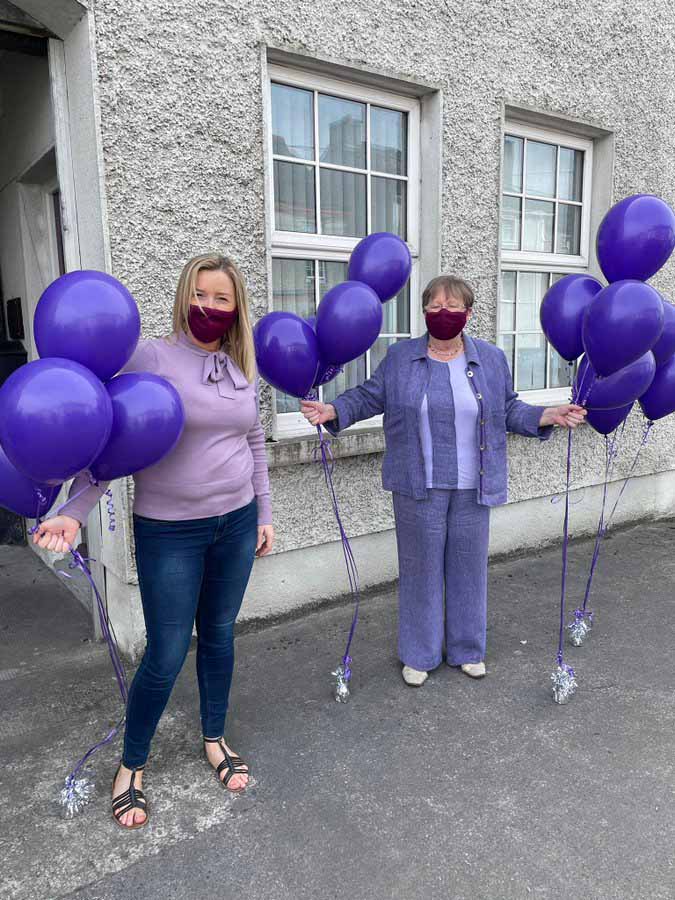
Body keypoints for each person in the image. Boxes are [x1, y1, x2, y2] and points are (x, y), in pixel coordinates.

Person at [34, 254, 274, 829]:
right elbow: (113, 443)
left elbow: (256, 442)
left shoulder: (242, 363)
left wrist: (264, 513)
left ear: (235, 306)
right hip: (170, 531)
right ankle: (131, 767)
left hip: (236, 523)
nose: (210, 307)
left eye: (222, 298)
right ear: (183, 296)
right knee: (166, 652)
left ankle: (214, 738)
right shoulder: (151, 357)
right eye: (200, 294)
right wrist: (73, 511)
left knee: (218, 636)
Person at [302, 275, 585, 688]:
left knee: (469, 569)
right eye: (434, 306)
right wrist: (333, 410)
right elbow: (368, 395)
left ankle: (468, 649)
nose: (443, 313)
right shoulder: (400, 358)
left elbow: (508, 408)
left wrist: (547, 416)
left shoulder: (489, 358)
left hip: (474, 484)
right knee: (420, 571)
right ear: (423, 312)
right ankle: (420, 653)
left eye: (453, 307)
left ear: (468, 314)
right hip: (418, 484)